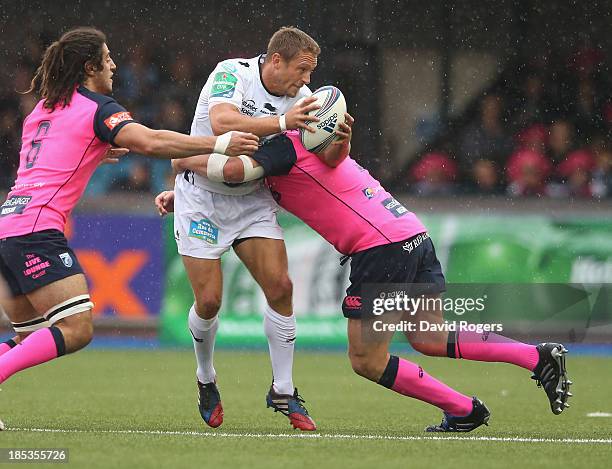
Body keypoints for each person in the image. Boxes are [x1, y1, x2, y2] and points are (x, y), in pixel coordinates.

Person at [156, 125, 573, 432]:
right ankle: (533, 359)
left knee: (366, 360)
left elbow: (234, 172)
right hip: (411, 234)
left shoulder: (282, 146)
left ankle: (465, 407)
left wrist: (182, 160)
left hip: (381, 250)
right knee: (429, 336)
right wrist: (187, 194)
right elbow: (258, 191)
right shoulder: (299, 147)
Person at [0, 27, 259, 430]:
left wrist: (94, 153)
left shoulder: (43, 108)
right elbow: (153, 142)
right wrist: (218, 144)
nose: (114, 65)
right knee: (77, 327)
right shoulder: (99, 107)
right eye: (107, 58)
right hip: (37, 229)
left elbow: (44, 159)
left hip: (9, 225)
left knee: (27, 336)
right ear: (90, 67)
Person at [169, 26, 334, 431]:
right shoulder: (232, 73)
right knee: (208, 301)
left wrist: (339, 134)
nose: (307, 80)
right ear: (276, 60)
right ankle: (206, 378)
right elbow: (221, 120)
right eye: (302, 69)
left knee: (281, 287)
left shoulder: (300, 100)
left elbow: (324, 154)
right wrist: (282, 122)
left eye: (311, 73)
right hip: (201, 200)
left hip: (251, 200)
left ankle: (283, 389)